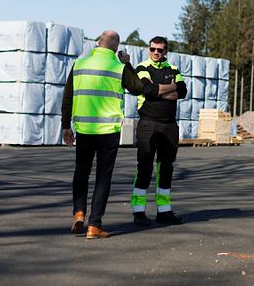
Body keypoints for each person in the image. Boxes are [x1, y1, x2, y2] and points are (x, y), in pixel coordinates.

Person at [61, 30, 173, 239]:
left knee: (81, 172)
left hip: (84, 129)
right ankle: (94, 226)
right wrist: (127, 63)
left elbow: (68, 97)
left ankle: (78, 212)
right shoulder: (118, 67)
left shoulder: (80, 64)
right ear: (116, 48)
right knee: (103, 177)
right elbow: (139, 88)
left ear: (97, 43)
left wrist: (66, 125)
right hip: (108, 131)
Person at [130, 36, 187, 226]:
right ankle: (139, 212)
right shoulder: (142, 68)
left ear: (166, 52)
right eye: (153, 49)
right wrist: (169, 90)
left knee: (166, 168)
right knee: (144, 166)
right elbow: (147, 90)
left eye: (160, 50)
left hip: (170, 125)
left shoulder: (173, 70)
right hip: (148, 124)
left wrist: (160, 91)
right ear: (149, 49)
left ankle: (164, 211)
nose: (156, 53)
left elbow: (183, 91)